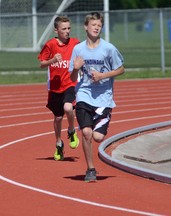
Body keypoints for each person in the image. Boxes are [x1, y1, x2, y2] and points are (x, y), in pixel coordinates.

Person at [69, 12, 125, 182]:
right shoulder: (78, 49)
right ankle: (90, 169)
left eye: (99, 25)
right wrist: (76, 68)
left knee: (98, 137)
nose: (96, 27)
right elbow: (72, 79)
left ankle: (102, 121)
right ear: (86, 27)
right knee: (86, 133)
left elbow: (121, 69)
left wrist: (103, 76)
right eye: (93, 25)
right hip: (84, 94)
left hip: (104, 98)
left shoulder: (108, 48)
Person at [38, 16, 80, 161]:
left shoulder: (75, 43)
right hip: (55, 88)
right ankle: (58, 143)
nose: (67, 31)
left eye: (69, 28)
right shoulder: (50, 45)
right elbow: (42, 64)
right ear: (56, 30)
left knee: (68, 108)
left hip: (70, 84)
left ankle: (71, 130)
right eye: (64, 29)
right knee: (58, 117)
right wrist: (52, 60)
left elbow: (84, 54)